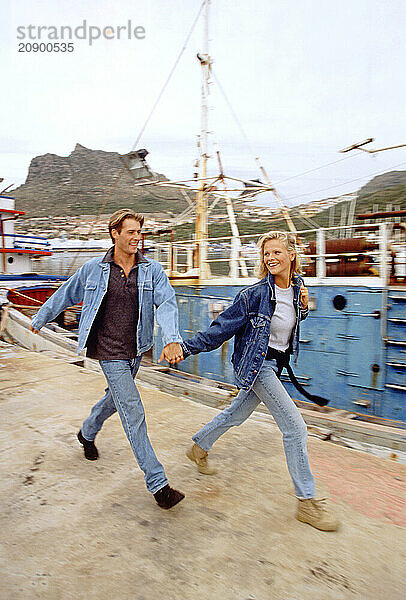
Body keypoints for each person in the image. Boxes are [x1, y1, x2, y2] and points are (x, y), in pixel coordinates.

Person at [180, 231, 339, 531]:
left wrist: (303, 307)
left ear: (292, 255)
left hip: (276, 365)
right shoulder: (252, 295)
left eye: (277, 252)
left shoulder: (296, 287)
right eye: (267, 254)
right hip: (257, 366)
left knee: (236, 413)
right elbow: (220, 329)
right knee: (295, 428)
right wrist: (186, 348)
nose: (271, 258)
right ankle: (306, 502)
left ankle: (199, 447)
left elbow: (291, 321)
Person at [31, 208, 185, 510]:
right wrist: (41, 317)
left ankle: (86, 433)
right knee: (133, 411)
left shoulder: (151, 270)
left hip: (136, 349)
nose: (136, 238)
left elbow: (167, 302)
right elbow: (66, 293)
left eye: (139, 233)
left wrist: (171, 338)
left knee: (114, 401)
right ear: (115, 233)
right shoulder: (94, 268)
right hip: (107, 350)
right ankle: (158, 484)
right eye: (131, 233)